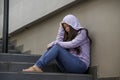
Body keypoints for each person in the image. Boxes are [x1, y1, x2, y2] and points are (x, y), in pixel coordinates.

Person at [23, 14, 91, 73]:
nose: (66, 29)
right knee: (55, 46)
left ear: (73, 24)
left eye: (67, 26)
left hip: (80, 66)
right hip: (67, 67)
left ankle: (37, 66)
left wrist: (53, 43)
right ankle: (36, 66)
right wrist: (61, 28)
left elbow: (72, 44)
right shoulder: (68, 36)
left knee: (56, 46)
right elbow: (58, 41)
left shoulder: (82, 32)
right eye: (65, 27)